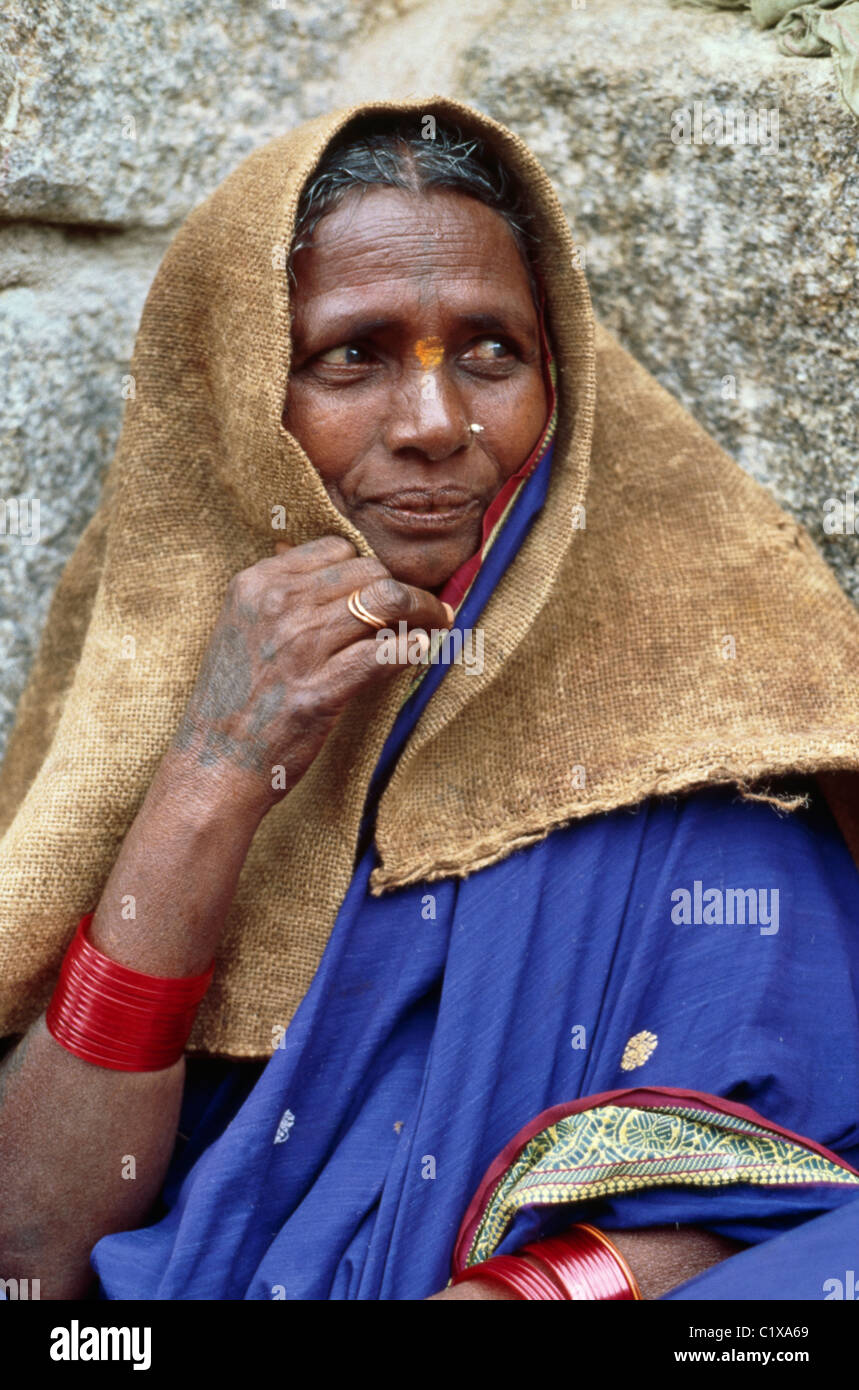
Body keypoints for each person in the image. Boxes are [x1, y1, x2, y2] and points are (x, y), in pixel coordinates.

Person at [1, 98, 858, 1302]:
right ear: (243, 398)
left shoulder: (703, 717)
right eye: (351, 354)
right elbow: (30, 1263)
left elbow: (816, 1196)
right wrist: (215, 770)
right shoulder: (143, 694)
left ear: (559, 381)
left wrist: (545, 1288)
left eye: (489, 353)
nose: (436, 425)